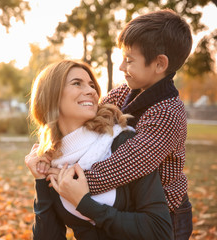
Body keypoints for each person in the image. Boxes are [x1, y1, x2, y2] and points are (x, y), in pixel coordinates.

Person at [76, 9, 192, 240]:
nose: (120, 67)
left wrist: (79, 184)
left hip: (167, 214)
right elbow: (90, 121)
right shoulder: (124, 93)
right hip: (132, 205)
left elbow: (130, 163)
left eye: (129, 60)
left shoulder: (167, 112)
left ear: (159, 64)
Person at [25, 59, 173, 239]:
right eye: (77, 83)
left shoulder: (124, 144)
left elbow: (160, 232)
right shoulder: (52, 164)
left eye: (91, 85)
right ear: (51, 95)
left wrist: (85, 204)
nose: (92, 91)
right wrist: (41, 181)